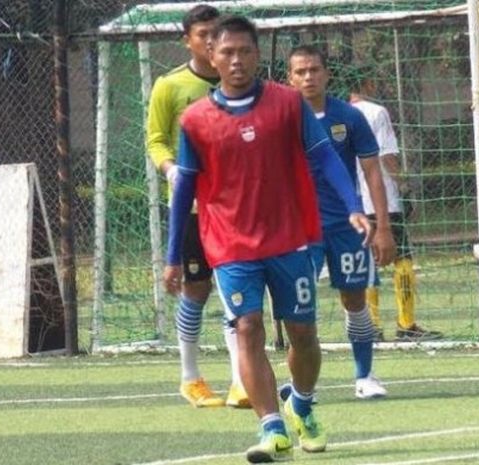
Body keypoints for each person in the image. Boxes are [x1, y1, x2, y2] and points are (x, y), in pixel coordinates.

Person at [163, 15, 372, 463]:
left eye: (245, 51)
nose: (236, 60)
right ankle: (272, 427)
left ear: (258, 56)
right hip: (231, 245)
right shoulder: (196, 120)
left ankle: (301, 401)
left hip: (290, 238)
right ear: (211, 56)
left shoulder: (287, 104)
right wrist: (172, 254)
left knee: (302, 334)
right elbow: (183, 191)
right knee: (247, 328)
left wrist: (353, 204)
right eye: (227, 52)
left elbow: (324, 156)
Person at [146, 4, 249, 409]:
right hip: (190, 209)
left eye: (215, 33)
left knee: (236, 291)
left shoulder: (240, 87)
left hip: (234, 208)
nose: (211, 41)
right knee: (197, 290)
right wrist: (171, 169)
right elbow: (155, 139)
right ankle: (191, 377)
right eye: (203, 34)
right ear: (186, 39)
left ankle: (242, 379)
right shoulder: (170, 86)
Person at [286, 45, 395, 400]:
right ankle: (304, 385)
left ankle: (365, 375)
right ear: (290, 77)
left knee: (355, 299)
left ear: (326, 74)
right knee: (300, 308)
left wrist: (383, 227)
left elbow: (372, 173)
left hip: (348, 225)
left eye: (314, 70)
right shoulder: (282, 119)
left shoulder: (349, 116)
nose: (308, 77)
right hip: (299, 228)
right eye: (300, 71)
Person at [349, 69, 443, 342]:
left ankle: (372, 327)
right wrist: (403, 185)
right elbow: (387, 157)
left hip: (354, 202)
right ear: (368, 82)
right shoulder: (377, 112)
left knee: (368, 264)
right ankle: (406, 324)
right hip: (384, 200)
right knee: (403, 259)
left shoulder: (339, 113)